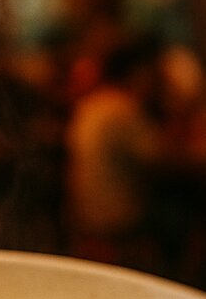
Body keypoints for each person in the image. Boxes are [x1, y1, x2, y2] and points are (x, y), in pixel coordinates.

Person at [64, 35, 165, 265]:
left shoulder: (90, 104)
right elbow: (158, 157)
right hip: (115, 218)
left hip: (81, 215)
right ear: (138, 72)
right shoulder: (123, 108)